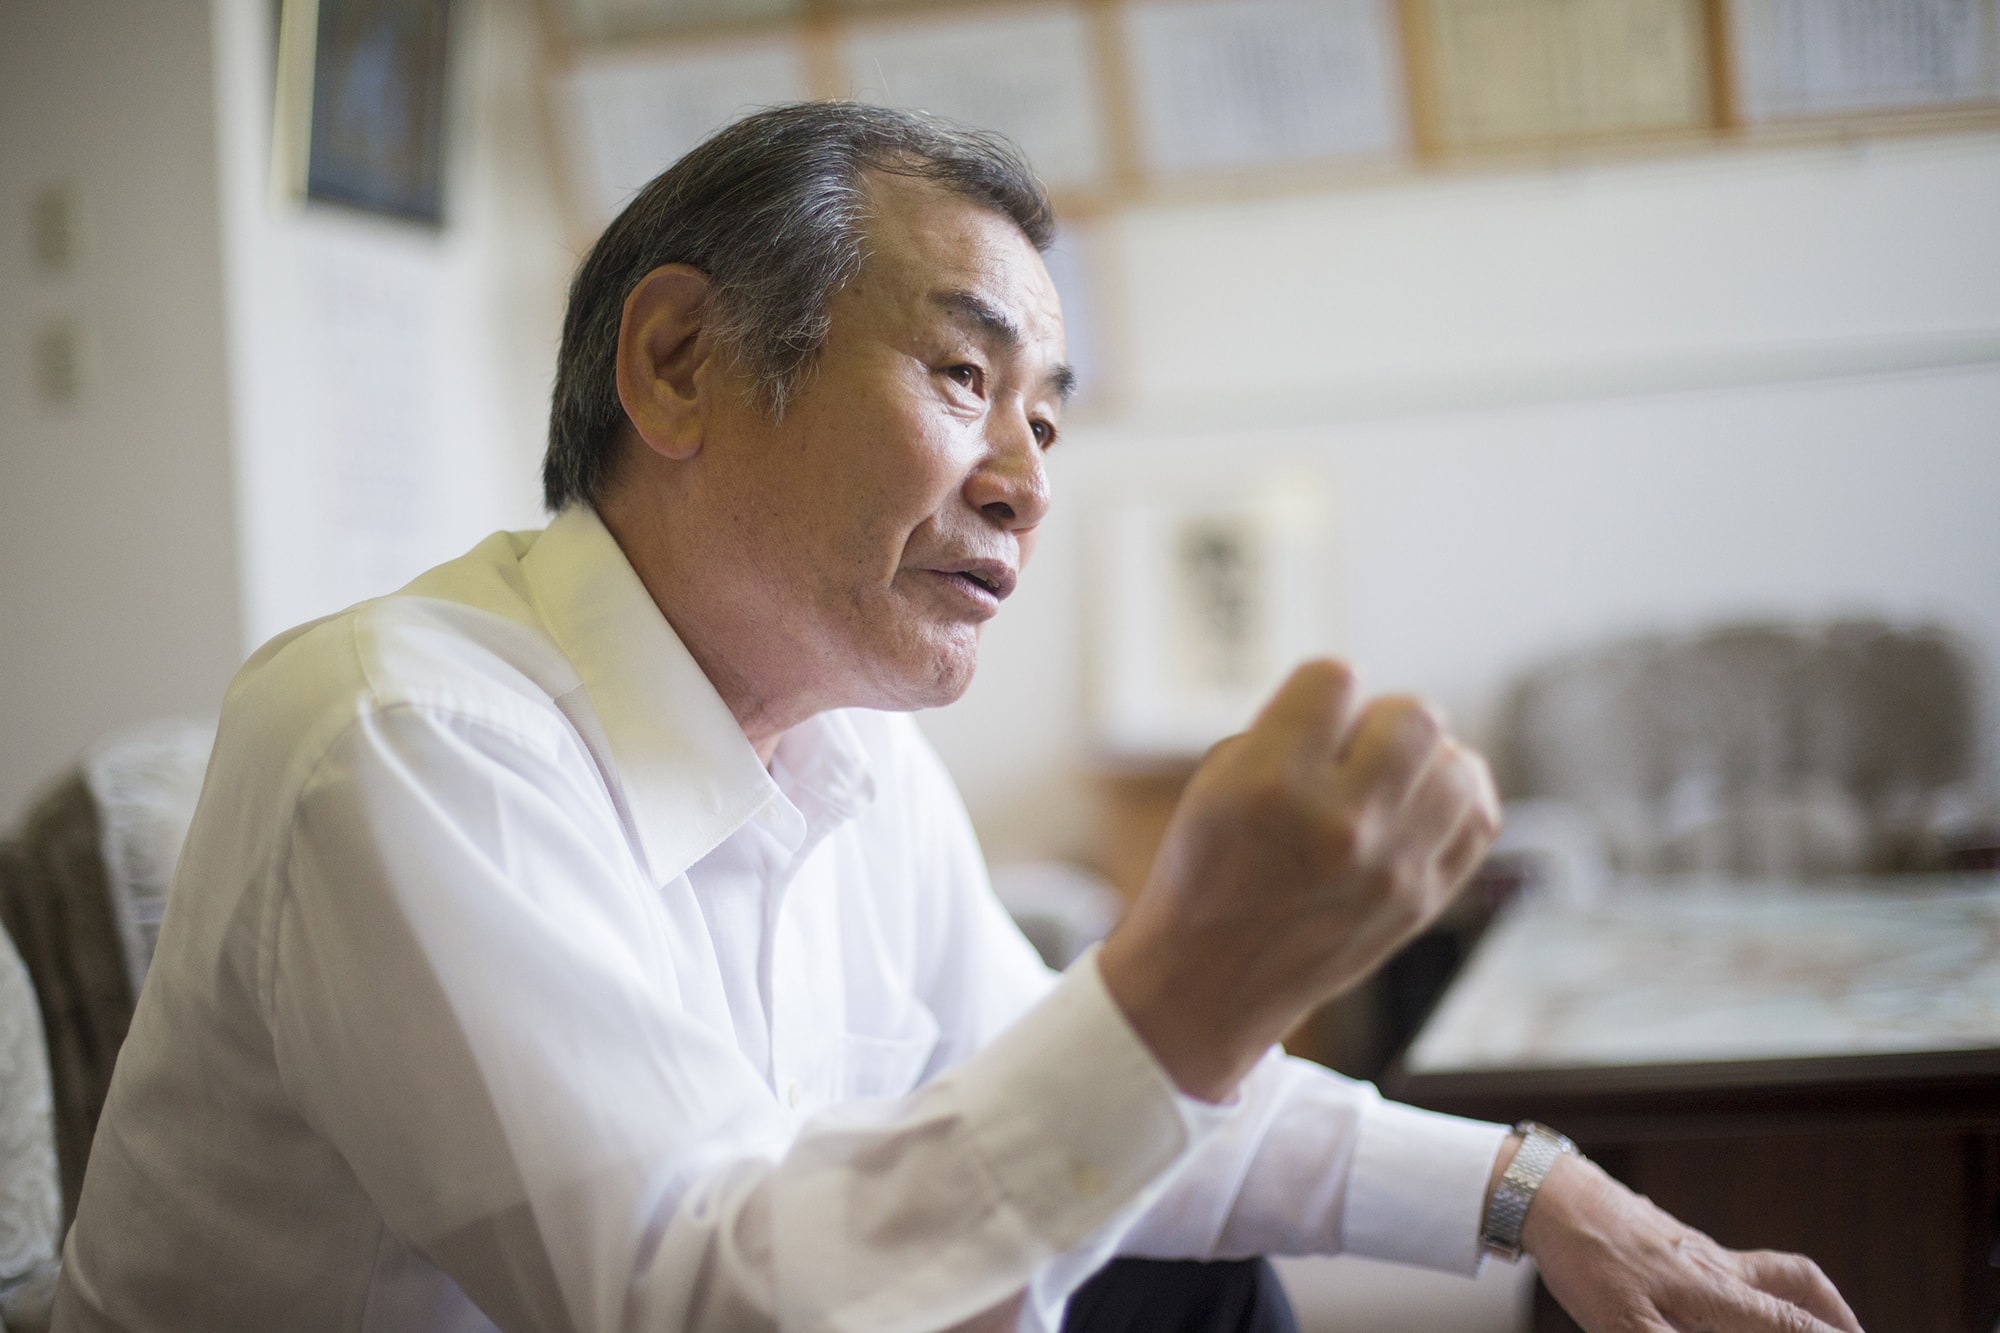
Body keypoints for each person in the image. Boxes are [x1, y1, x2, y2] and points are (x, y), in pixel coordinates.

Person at [54, 102, 1861, 1333]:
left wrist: (1540, 1191)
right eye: (960, 374)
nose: (1027, 480)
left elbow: (1068, 1095)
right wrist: (1191, 984)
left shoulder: (854, 753)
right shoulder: (407, 735)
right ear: (677, 364)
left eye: (1046, 416)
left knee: (1176, 1265)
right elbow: (696, 1301)